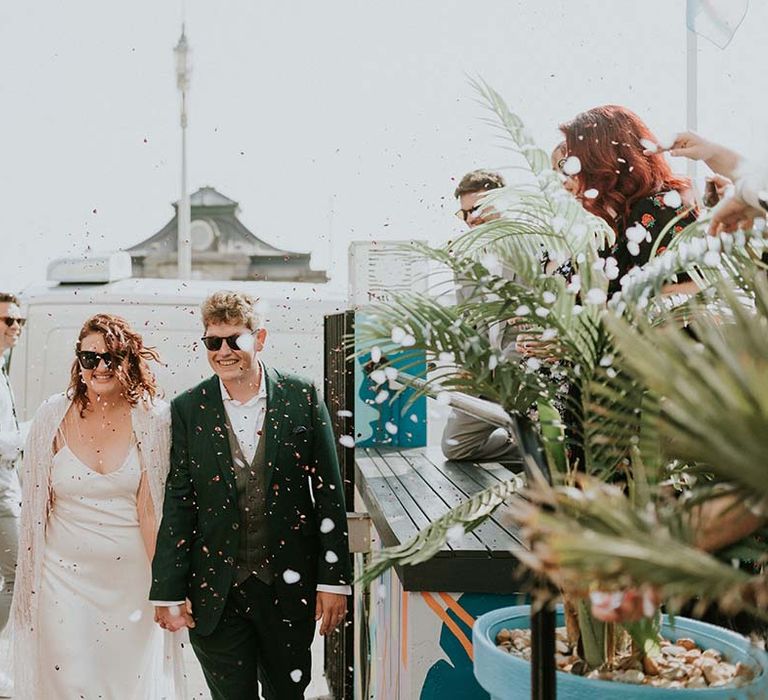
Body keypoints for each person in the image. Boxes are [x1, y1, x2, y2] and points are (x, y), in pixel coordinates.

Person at [150, 290, 352, 700]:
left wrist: (335, 580)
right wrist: (168, 588)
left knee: (287, 694)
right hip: (215, 591)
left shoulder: (302, 396)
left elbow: (329, 493)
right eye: (213, 342)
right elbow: (179, 502)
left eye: (235, 340)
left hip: (287, 585)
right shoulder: (189, 408)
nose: (224, 351)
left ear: (259, 339)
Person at [8, 313, 184, 699]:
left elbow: (151, 512)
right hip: (60, 580)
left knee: (123, 685)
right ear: (78, 361)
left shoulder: (152, 419)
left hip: (130, 584)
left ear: (129, 361)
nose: (100, 367)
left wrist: (167, 588)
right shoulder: (52, 415)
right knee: (69, 681)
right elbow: (37, 506)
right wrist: (29, 589)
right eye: (90, 358)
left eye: (112, 358)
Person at [556, 105, 699, 296]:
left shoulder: (655, 210)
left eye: (573, 163)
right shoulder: (615, 223)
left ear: (600, 162)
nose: (568, 177)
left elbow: (697, 294)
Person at [442, 170, 521, 463]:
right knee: (454, 447)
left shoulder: (533, 247)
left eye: (477, 209)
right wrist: (467, 370)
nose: (471, 219)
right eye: (464, 213)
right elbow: (469, 322)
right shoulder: (464, 258)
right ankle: (533, 448)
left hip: (530, 370)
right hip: (487, 375)